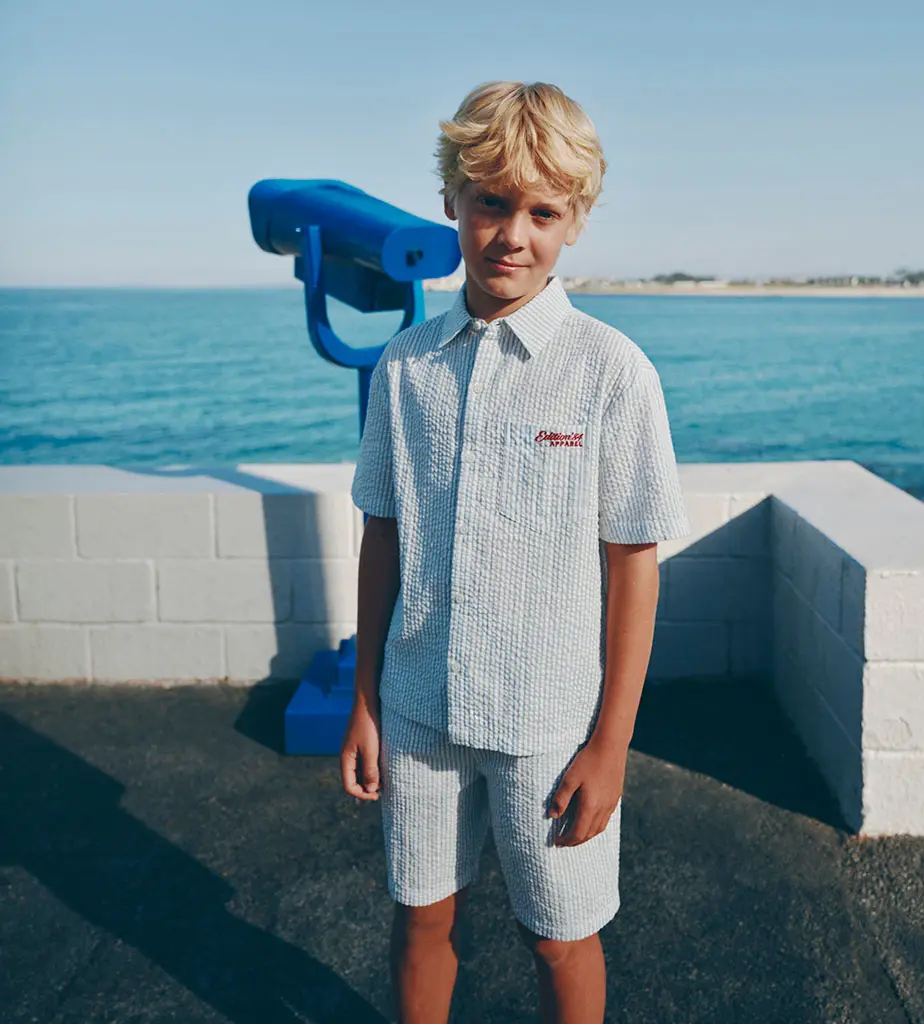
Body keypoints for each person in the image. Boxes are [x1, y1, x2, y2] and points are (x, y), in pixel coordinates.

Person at [340, 80, 691, 1024]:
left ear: (575, 222)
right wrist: (367, 700)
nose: (511, 233)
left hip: (549, 725)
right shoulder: (406, 367)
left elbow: (633, 565)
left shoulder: (612, 372)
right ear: (452, 200)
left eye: (542, 211)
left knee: (558, 937)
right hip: (415, 714)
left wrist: (611, 744)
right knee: (419, 921)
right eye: (491, 202)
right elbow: (383, 534)